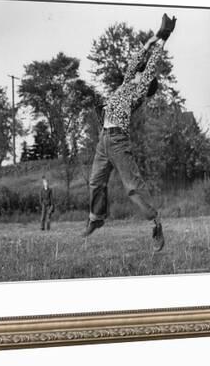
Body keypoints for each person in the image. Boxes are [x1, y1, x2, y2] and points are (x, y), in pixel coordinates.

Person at [83, 13, 177, 253]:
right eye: (138, 71)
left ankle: (156, 223)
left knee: (132, 186)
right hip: (104, 140)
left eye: (141, 72)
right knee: (95, 181)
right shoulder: (126, 83)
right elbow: (138, 59)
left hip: (118, 141)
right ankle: (97, 217)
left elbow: (150, 63)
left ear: (145, 84)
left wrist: (164, 39)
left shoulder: (140, 89)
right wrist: (153, 37)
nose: (137, 70)